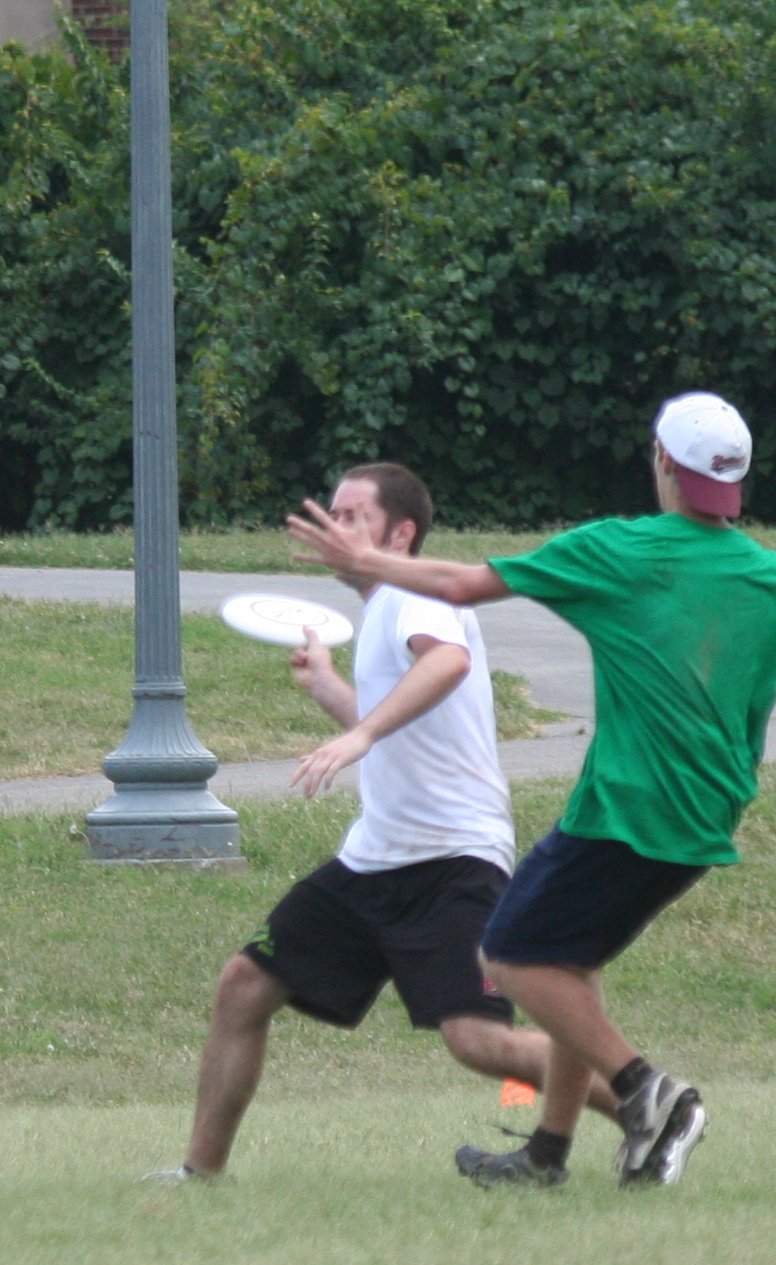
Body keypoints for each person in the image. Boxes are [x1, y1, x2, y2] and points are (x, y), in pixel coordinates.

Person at [292, 394, 776, 1192]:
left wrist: (367, 563)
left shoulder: (617, 550)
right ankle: (547, 1154)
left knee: (511, 956)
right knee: (569, 963)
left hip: (629, 809)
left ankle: (651, 1094)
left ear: (663, 461)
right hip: (705, 817)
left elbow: (460, 585)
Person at [160, 464, 609, 1180]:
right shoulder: (386, 607)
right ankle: (199, 1175)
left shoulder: (412, 591)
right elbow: (400, 728)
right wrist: (332, 691)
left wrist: (360, 735)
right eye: (332, 513)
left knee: (479, 1043)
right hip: (375, 858)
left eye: (352, 516)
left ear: (401, 535)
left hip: (452, 858)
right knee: (244, 986)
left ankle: (646, 1100)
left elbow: (449, 662)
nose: (335, 527)